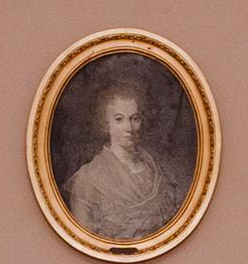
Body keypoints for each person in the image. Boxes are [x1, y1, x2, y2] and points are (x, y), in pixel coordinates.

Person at [61, 69, 183, 241]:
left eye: (135, 118)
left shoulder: (156, 170)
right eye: (119, 119)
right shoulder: (87, 181)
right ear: (105, 123)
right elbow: (86, 242)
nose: (129, 128)